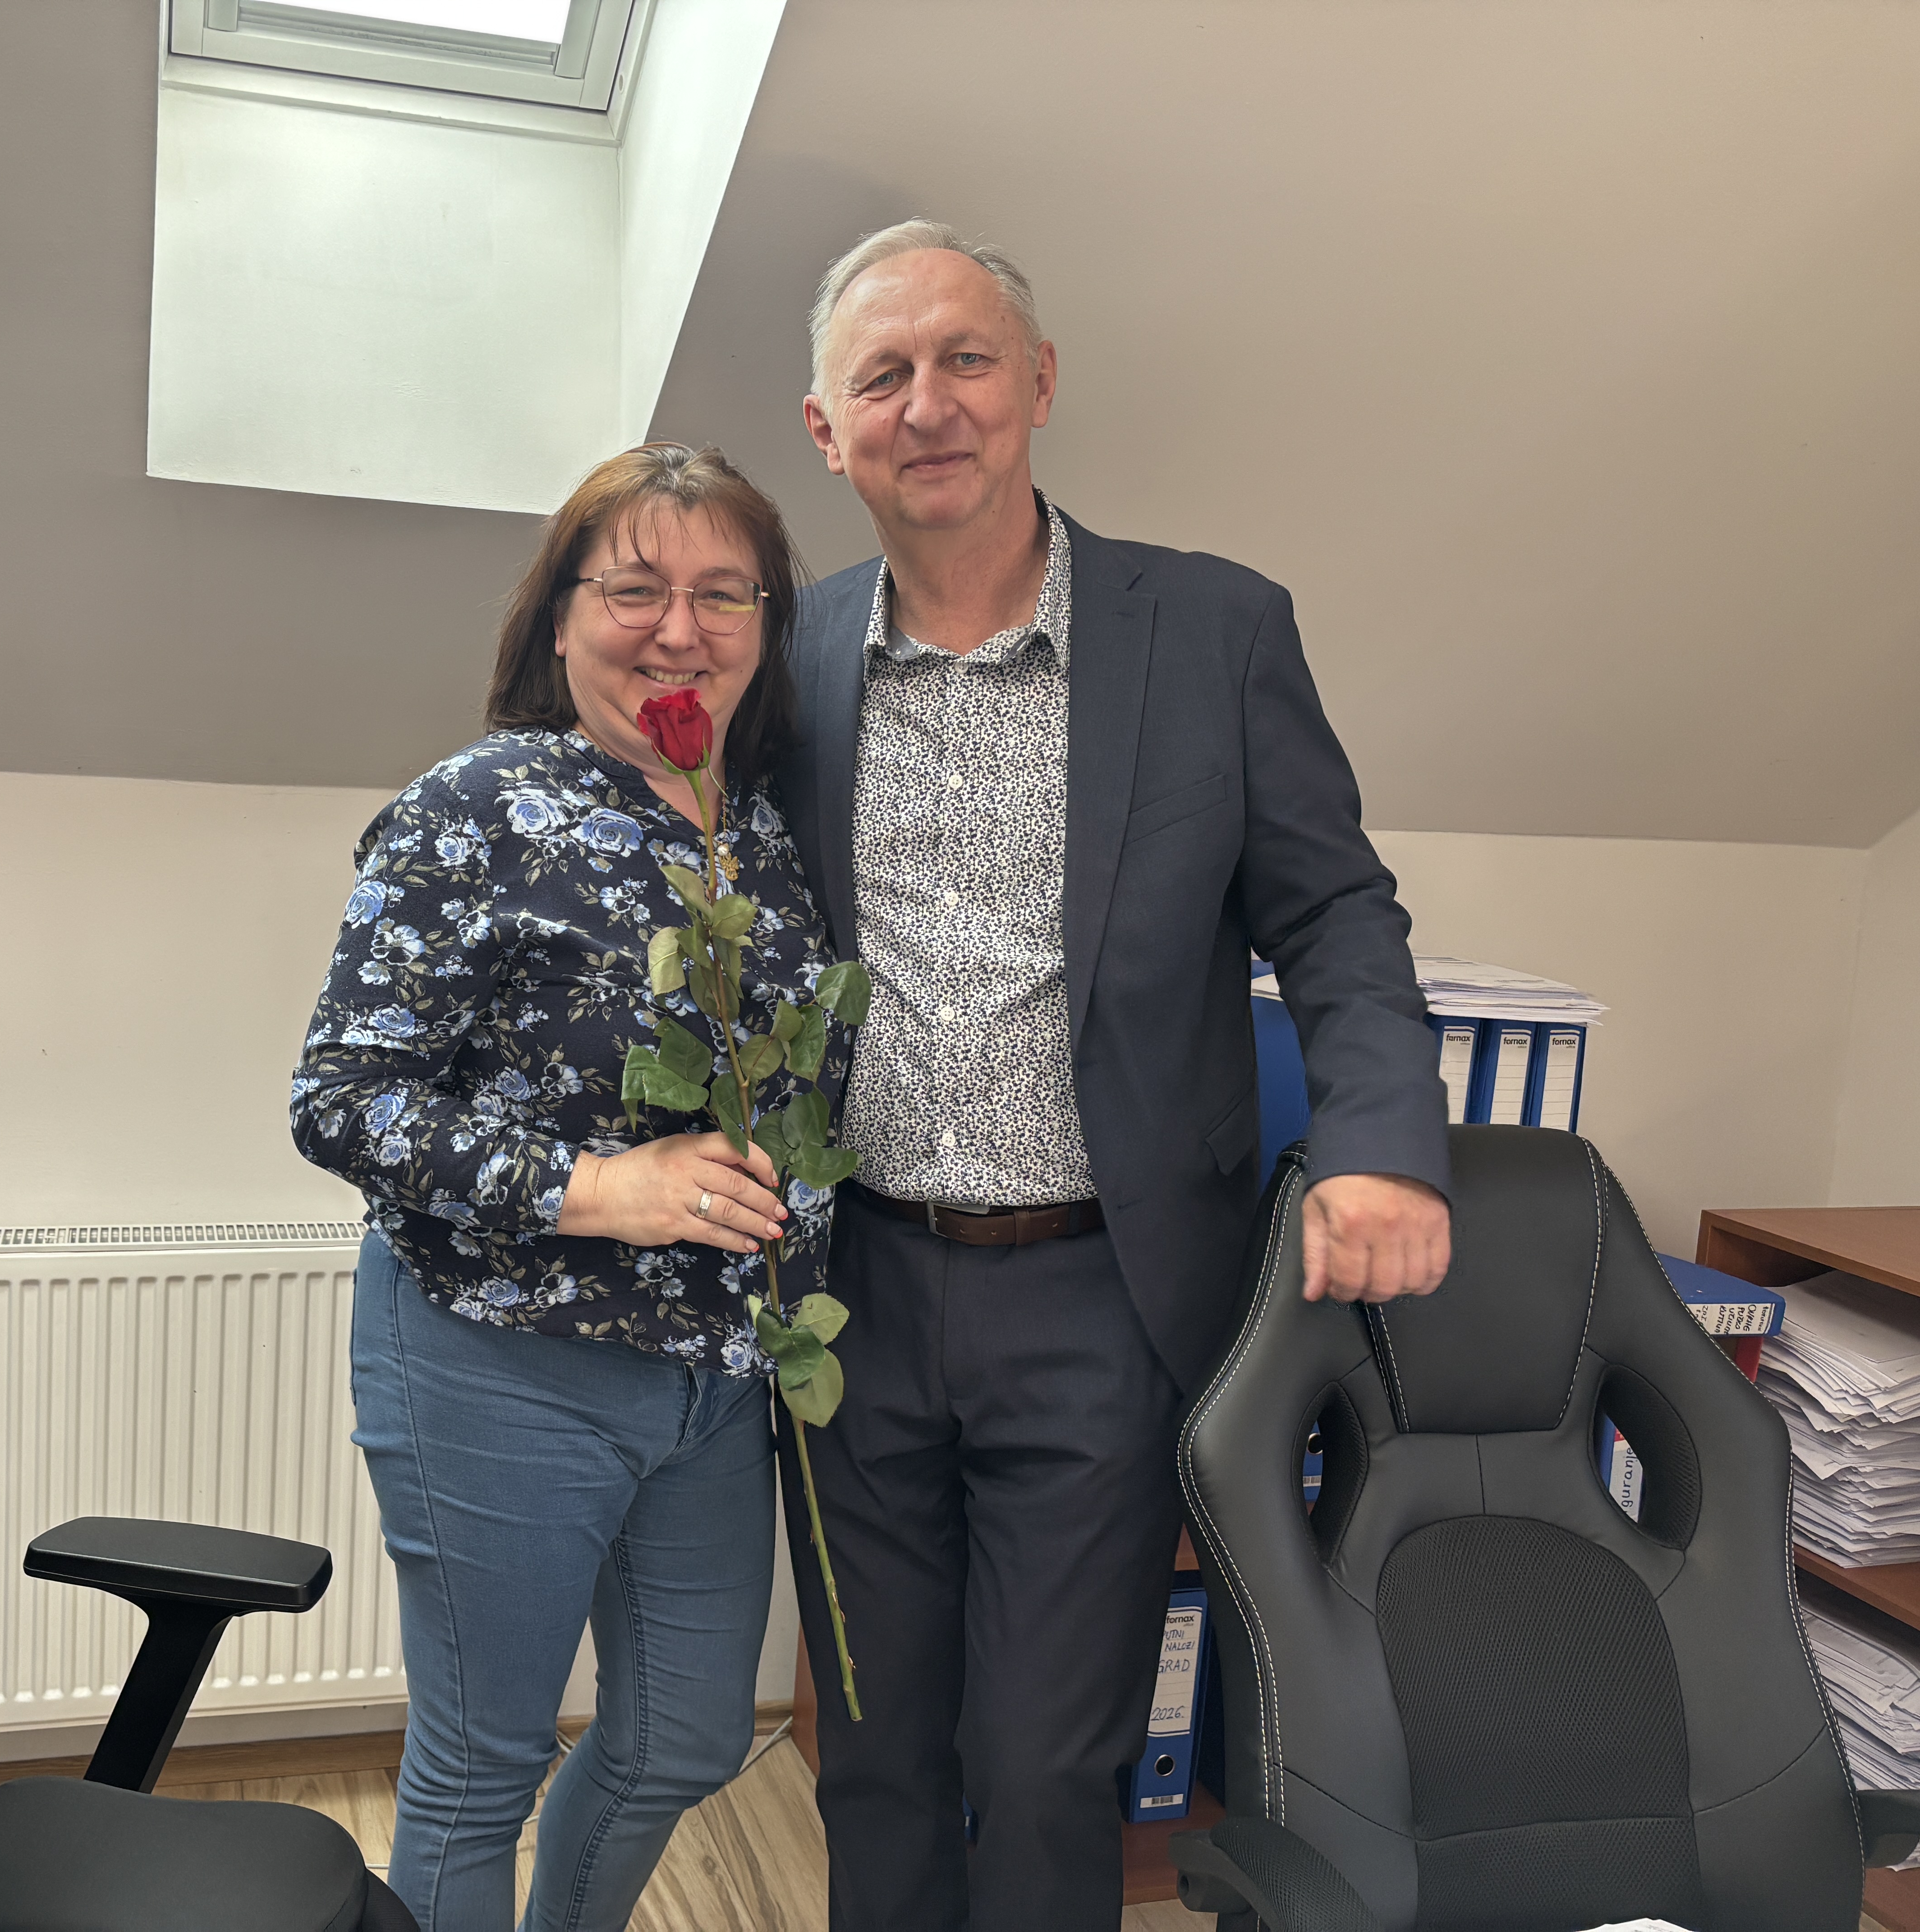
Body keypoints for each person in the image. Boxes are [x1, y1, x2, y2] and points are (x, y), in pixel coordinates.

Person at [774, 220, 1456, 1932]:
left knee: (1048, 1763)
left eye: (967, 359)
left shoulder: (1214, 630)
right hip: (851, 1295)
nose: (931, 404)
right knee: (871, 1757)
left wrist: (1381, 1140)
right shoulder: (786, 658)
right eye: (883, 376)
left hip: (1103, 1294)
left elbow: (1338, 914)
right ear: (829, 431)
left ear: (1041, 382)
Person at [292, 443, 842, 1932]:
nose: (681, 629)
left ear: (768, 624)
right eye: (636, 588)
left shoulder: (767, 828)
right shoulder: (472, 810)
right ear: (559, 615)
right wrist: (602, 1187)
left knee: (687, 1738)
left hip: (714, 1381)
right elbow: (342, 1097)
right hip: (498, 1359)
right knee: (482, 1770)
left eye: (724, 592)